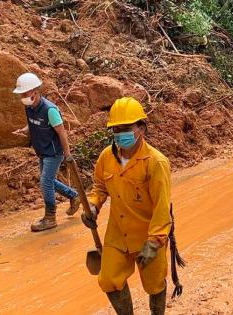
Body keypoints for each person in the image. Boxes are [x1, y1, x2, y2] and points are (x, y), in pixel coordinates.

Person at [81, 97, 172, 314]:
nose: (120, 133)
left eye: (126, 128)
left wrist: (156, 241)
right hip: (117, 234)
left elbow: (162, 206)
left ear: (141, 128)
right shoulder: (106, 157)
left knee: (155, 284)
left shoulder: (156, 162)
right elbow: (100, 187)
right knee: (109, 279)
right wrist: (93, 205)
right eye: (116, 129)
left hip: (147, 235)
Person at [12, 72, 80, 232]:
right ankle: (73, 195)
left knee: (45, 182)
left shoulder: (50, 110)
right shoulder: (29, 108)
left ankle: (50, 217)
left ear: (35, 91)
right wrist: (24, 130)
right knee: (48, 180)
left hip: (54, 152)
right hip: (41, 150)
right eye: (21, 94)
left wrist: (67, 154)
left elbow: (62, 132)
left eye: (25, 93)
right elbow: (33, 124)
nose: (22, 96)